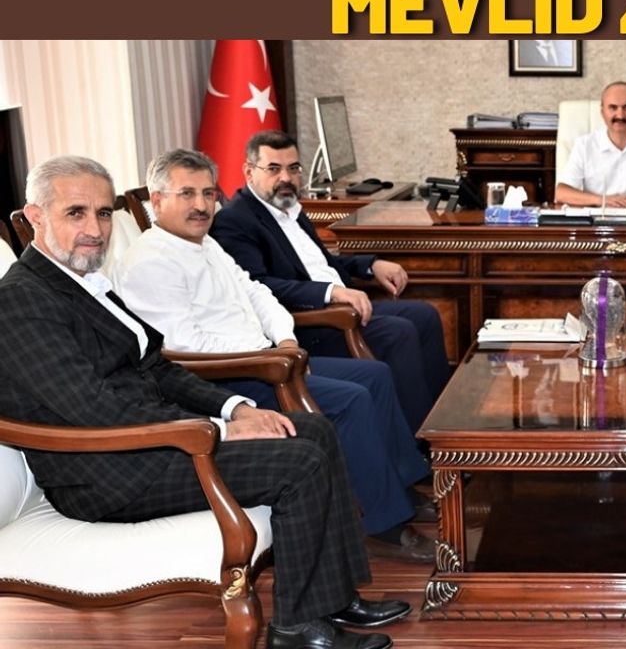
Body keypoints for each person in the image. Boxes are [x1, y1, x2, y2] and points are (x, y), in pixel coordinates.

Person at [0, 155, 409, 649]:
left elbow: (157, 367)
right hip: (108, 472)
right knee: (299, 462)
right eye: (76, 213)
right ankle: (297, 630)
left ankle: (333, 597)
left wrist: (236, 407)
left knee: (313, 427)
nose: (95, 229)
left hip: (150, 443)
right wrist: (219, 430)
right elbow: (92, 408)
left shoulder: (82, 280)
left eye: (104, 213)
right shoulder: (22, 300)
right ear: (36, 216)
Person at [113, 148, 437, 562]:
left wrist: (284, 340)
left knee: (373, 375)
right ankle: (384, 523)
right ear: (157, 201)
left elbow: (257, 292)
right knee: (352, 399)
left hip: (267, 359)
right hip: (227, 379)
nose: (201, 205)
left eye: (208, 193)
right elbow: (183, 348)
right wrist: (266, 356)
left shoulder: (205, 243)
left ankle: (400, 486)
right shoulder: (149, 262)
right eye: (187, 194)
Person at [209, 130, 451, 435]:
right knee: (398, 332)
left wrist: (370, 264)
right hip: (309, 323)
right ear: (249, 172)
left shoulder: (288, 208)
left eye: (293, 168)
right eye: (273, 169)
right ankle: (421, 439)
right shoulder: (235, 220)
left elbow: (321, 265)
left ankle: (441, 424)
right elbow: (259, 285)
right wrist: (330, 292)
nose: (286, 178)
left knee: (425, 315)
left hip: (337, 307)